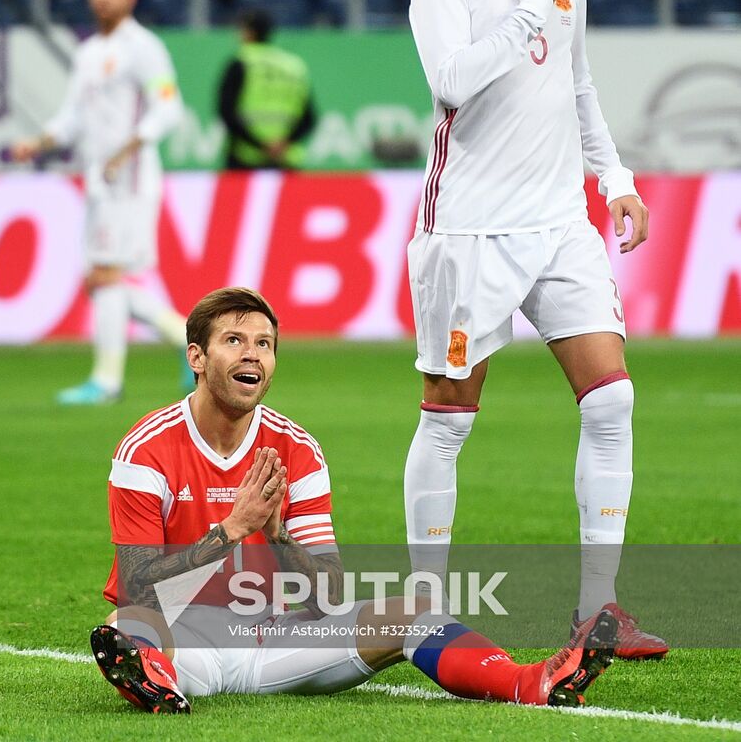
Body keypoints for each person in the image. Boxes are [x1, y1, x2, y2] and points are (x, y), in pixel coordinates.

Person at [403, 0, 667, 661]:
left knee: (612, 398)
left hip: (559, 222)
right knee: (449, 417)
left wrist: (615, 180)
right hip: (470, 227)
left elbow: (578, 83)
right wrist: (524, 9)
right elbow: (450, 81)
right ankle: (425, 609)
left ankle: (598, 610)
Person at [91, 286, 618, 713]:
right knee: (125, 628)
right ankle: (157, 682)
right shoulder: (146, 450)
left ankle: (530, 682)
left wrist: (277, 536)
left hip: (274, 639)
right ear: (197, 357)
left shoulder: (297, 450)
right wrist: (231, 529)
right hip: (185, 640)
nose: (253, 353)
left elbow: (327, 597)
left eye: (265, 344)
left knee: (414, 613)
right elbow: (139, 588)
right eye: (234, 340)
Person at [10, 0, 189, 406]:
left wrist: (129, 148)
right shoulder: (89, 52)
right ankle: (189, 339)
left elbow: (168, 107)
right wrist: (40, 141)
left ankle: (107, 381)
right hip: (99, 180)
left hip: (129, 179)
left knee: (107, 275)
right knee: (100, 279)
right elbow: (73, 116)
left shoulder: (143, 47)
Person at [217, 9, 316, 170]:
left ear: (249, 33)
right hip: (286, 160)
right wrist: (284, 143)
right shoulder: (293, 65)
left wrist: (261, 145)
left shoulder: (241, 61)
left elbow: (226, 111)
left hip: (245, 159)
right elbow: (309, 118)